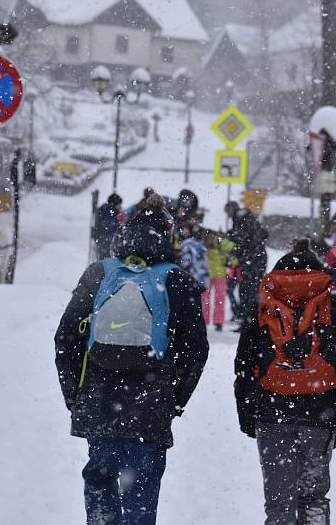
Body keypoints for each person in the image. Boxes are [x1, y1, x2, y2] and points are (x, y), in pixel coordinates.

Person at [55, 194, 209, 525]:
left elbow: (67, 337)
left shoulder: (99, 273)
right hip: (150, 404)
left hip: (99, 400)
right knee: (141, 488)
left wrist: (74, 394)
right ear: (168, 234)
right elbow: (196, 350)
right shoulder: (177, 280)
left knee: (100, 480)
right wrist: (176, 398)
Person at [235, 239, 336, 525]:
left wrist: (246, 413)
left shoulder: (264, 302)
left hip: (271, 413)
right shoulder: (331, 303)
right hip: (320, 412)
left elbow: (244, 365)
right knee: (314, 497)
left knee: (278, 502)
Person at [225, 201, 268, 327]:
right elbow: (265, 234)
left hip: (250, 261)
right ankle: (250, 320)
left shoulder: (241, 221)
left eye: (228, 211)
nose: (228, 215)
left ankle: (248, 321)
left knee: (246, 291)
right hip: (257, 259)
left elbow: (242, 241)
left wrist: (233, 243)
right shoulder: (250, 220)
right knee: (252, 290)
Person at [202, 229, 235, 331]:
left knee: (219, 299)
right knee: (204, 299)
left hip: (219, 274)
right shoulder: (202, 243)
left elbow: (233, 248)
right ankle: (204, 320)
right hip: (207, 274)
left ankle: (218, 322)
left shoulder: (220, 241)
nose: (209, 237)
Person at [179, 224, 210, 293]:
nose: (182, 231)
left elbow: (185, 263)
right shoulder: (200, 245)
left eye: (185, 229)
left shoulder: (187, 244)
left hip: (191, 279)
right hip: (202, 278)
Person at [92, 193, 122, 260]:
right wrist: (119, 226)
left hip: (102, 240)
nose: (120, 206)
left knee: (103, 260)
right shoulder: (110, 211)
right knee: (107, 260)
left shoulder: (105, 209)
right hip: (107, 241)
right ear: (115, 203)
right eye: (119, 204)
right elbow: (108, 226)